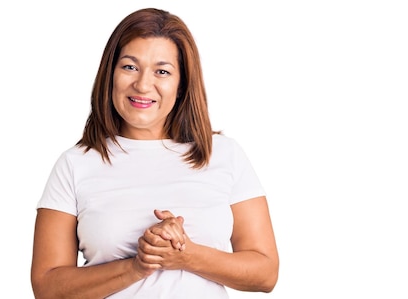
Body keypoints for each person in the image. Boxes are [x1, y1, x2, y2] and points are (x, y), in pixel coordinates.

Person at [30, 7, 279, 299]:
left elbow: (265, 274)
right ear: (110, 74)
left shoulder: (223, 154)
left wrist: (186, 255)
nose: (143, 85)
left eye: (162, 71)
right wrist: (137, 266)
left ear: (181, 83)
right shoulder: (74, 164)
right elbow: (47, 287)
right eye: (129, 67)